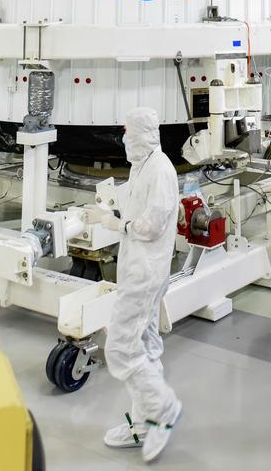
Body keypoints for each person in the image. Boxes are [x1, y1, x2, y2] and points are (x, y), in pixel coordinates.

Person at [86, 107, 181, 463]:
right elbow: (133, 202)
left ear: (141, 134)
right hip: (137, 267)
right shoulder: (142, 165)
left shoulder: (160, 170)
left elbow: (150, 224)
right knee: (145, 344)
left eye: (127, 132)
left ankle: (163, 409)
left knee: (121, 349)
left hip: (145, 272)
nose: (123, 138)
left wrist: (114, 224)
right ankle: (143, 424)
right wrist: (107, 206)